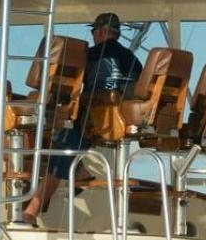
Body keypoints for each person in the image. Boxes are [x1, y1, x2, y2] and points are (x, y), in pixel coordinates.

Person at [15, 12, 143, 226]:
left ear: (101, 32)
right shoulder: (131, 58)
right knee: (72, 133)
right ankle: (81, 172)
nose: (93, 36)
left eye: (94, 31)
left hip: (97, 117)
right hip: (122, 118)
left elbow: (67, 84)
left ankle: (30, 212)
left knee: (62, 145)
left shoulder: (89, 55)